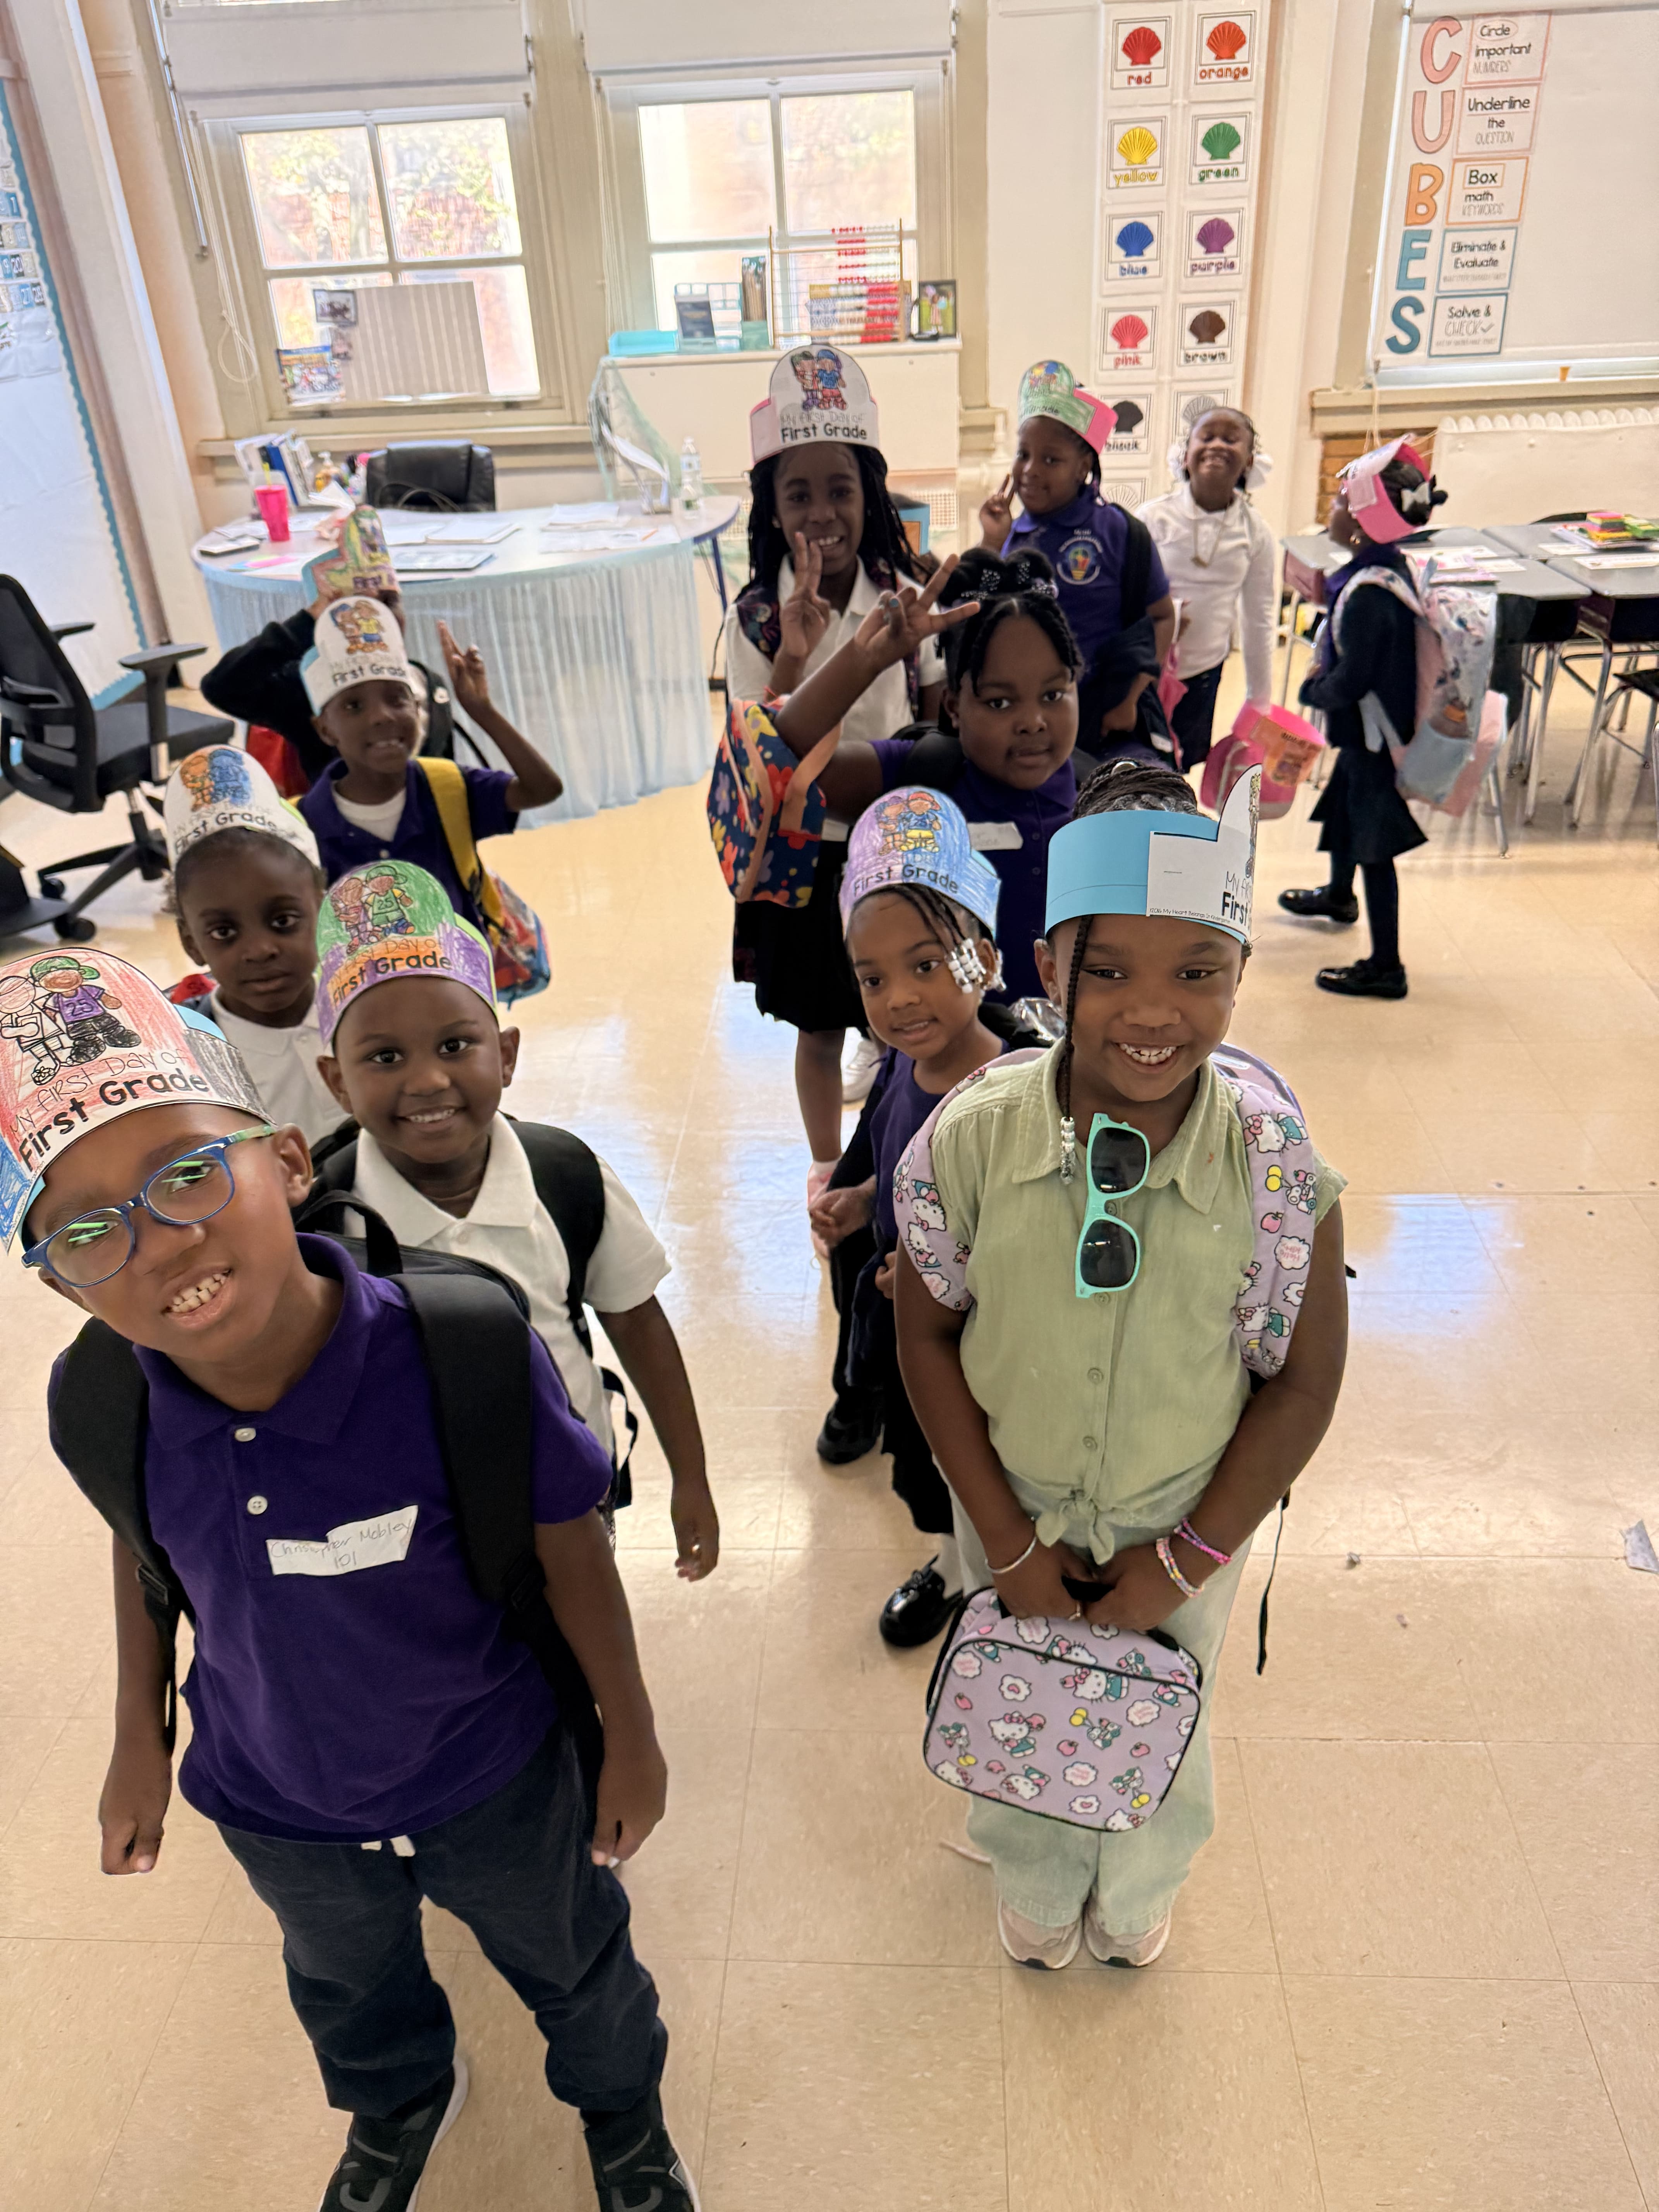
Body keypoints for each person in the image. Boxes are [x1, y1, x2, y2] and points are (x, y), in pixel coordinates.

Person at [3, 953, 697, 2212]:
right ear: (57, 1280)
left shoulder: (461, 1349)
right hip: (272, 1795)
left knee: (574, 1961)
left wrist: (632, 1740)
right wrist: (137, 1743)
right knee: (343, 1978)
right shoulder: (101, 1399)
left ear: (282, 1158)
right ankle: (395, 2104)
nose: (161, 1243)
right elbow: (145, 1544)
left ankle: (624, 2116)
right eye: (91, 1232)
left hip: (490, 1772)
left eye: (190, 1174)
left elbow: (569, 1547)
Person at [893, 759, 1347, 1971]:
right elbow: (924, 1332)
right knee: (1016, 1677)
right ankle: (1036, 1871)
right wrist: (1005, 1541)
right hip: (1009, 1497)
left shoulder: (1279, 1168)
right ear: (1053, 971)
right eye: (1111, 972)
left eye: (1197, 970)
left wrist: (1185, 1558)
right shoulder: (967, 1144)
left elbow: (1303, 1382)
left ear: (1242, 971)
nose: (1155, 1011)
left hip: (1188, 1508)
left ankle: (1140, 1883)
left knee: (1170, 1701)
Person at [314, 860, 719, 1578]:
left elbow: (637, 1322)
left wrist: (691, 1476)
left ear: (505, 1056)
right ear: (336, 1081)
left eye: (454, 1045)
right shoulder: (325, 1220)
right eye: (383, 1056)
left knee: (578, 1649)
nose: (427, 1080)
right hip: (414, 1517)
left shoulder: (565, 1177)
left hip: (572, 1494)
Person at [811, 787, 1039, 1644]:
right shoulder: (903, 1070)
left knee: (984, 1465)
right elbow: (898, 1161)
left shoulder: (1017, 1089)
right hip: (912, 1338)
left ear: (982, 956)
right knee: (925, 1462)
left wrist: (955, 1269)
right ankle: (952, 1564)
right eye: (874, 978)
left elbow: (1035, 1229)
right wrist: (862, 1200)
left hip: (982, 1349)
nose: (899, 998)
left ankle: (999, 1580)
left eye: (926, 965)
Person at [723, 344, 943, 1194]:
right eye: (799, 493)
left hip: (895, 840)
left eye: (842, 490)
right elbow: (758, 745)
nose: (823, 512)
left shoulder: (902, 591)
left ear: (872, 496)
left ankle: (900, 1152)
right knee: (817, 1025)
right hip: (806, 853)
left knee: (900, 1014)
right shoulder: (756, 616)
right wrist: (796, 655)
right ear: (772, 508)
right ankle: (827, 1171)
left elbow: (931, 709)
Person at [771, 548, 1082, 1008]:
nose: (1033, 721)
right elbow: (784, 761)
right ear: (954, 707)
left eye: (1054, 694)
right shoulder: (919, 780)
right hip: (951, 1067)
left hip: (1066, 1065)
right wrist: (865, 661)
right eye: (1000, 702)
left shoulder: (1102, 796)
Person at [1277, 440, 1447, 1000]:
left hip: (1374, 738)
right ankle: (1337, 894)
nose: (1331, 508)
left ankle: (1386, 965)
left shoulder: (1373, 596)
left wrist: (1311, 689)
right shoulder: (1378, 569)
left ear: (1363, 522)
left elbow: (1353, 680)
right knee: (1345, 817)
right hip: (1365, 737)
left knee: (1375, 848)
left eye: (1341, 501)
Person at [295, 597, 562, 940]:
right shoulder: (304, 825)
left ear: (418, 708)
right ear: (325, 730)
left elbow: (543, 789)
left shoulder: (447, 787)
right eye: (354, 706)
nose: (382, 716)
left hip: (462, 985)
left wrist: (482, 711)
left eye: (397, 699)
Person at [979, 360, 1176, 764]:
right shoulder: (1008, 534)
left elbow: (1161, 617)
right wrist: (991, 541)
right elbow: (980, 621)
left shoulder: (1118, 531)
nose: (1030, 471)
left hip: (1105, 721)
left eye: (1051, 460)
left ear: (1084, 467)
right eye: (1023, 454)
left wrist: (1131, 699)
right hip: (1031, 728)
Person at [160, 743, 347, 1150]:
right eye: (225, 932)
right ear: (192, 943)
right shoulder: (191, 1062)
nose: (260, 949)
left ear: (322, 910)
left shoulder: (368, 1007)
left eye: (283, 922)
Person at [199, 565, 460, 789]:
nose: (372, 621)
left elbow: (446, 776)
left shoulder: (428, 682)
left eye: (387, 605)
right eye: (356, 609)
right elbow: (223, 687)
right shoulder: (309, 689)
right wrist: (306, 624)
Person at [1137, 408, 1277, 767]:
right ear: (1185, 455)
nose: (1217, 446)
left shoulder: (1255, 532)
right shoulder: (1153, 519)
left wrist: (1260, 701)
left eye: (1231, 440)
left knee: (1179, 766)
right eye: (1207, 437)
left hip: (1203, 673)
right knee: (1137, 760)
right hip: (1144, 670)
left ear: (1249, 461)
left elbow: (1258, 617)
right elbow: (1124, 595)